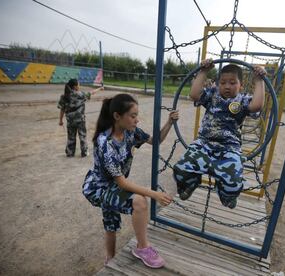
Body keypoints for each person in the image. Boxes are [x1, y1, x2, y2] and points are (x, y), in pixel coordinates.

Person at [82, 93, 178, 268]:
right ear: (117, 116)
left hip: (111, 185)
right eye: (133, 116)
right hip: (97, 189)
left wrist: (170, 122)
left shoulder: (130, 133)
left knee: (111, 221)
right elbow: (122, 184)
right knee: (139, 202)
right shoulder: (106, 144)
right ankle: (142, 248)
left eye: (136, 115)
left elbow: (156, 140)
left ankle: (109, 257)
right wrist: (154, 194)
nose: (137, 120)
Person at [173, 59, 266, 209]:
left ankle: (226, 194)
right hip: (204, 144)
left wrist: (259, 80)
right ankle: (190, 183)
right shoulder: (212, 95)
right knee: (181, 169)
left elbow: (256, 106)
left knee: (234, 181)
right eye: (223, 83)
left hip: (229, 148)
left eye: (232, 82)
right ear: (218, 84)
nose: (227, 86)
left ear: (241, 85)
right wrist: (203, 71)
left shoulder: (242, 100)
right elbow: (195, 95)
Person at [58, 79, 104, 157]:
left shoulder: (64, 96)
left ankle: (70, 152)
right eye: (78, 85)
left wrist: (60, 120)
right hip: (80, 120)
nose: (79, 86)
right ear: (75, 86)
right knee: (82, 136)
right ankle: (84, 152)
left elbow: (62, 109)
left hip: (70, 121)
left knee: (71, 137)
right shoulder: (80, 94)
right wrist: (100, 89)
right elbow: (91, 93)